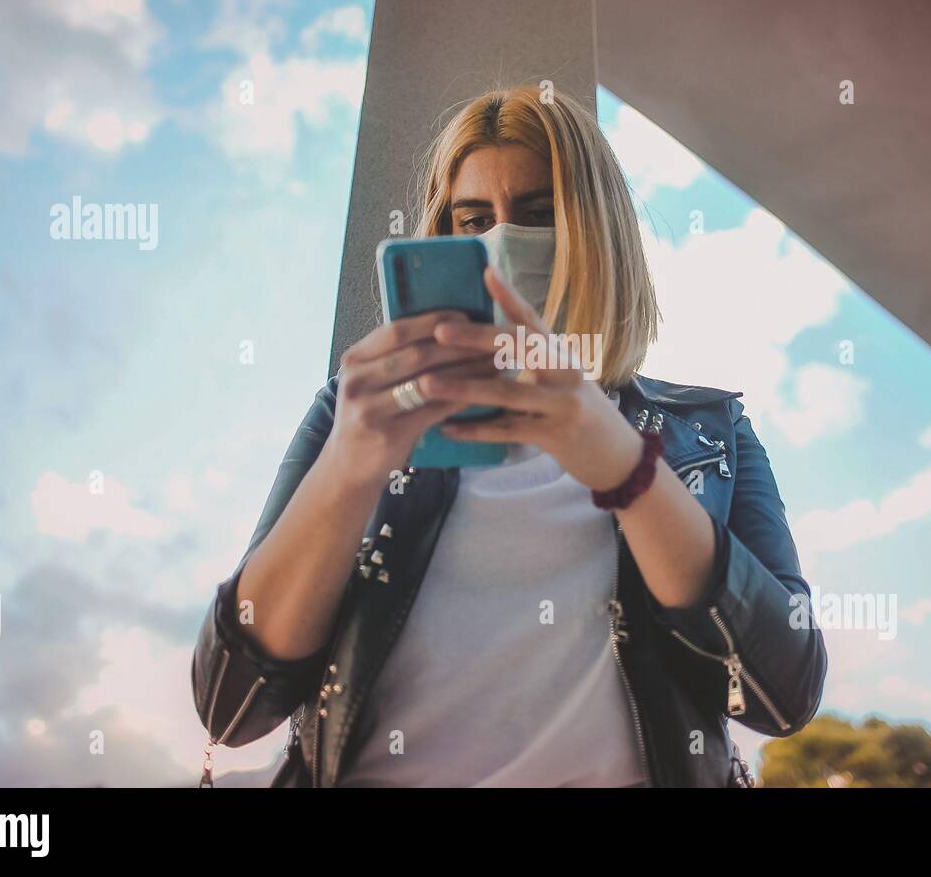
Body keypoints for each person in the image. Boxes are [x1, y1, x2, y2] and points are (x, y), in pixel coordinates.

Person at [191, 84, 827, 787]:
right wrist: (348, 469)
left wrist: (626, 468)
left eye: (537, 212)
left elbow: (784, 690)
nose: (499, 241)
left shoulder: (707, 430)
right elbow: (229, 704)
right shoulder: (354, 415)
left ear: (600, 231)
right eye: (472, 219)